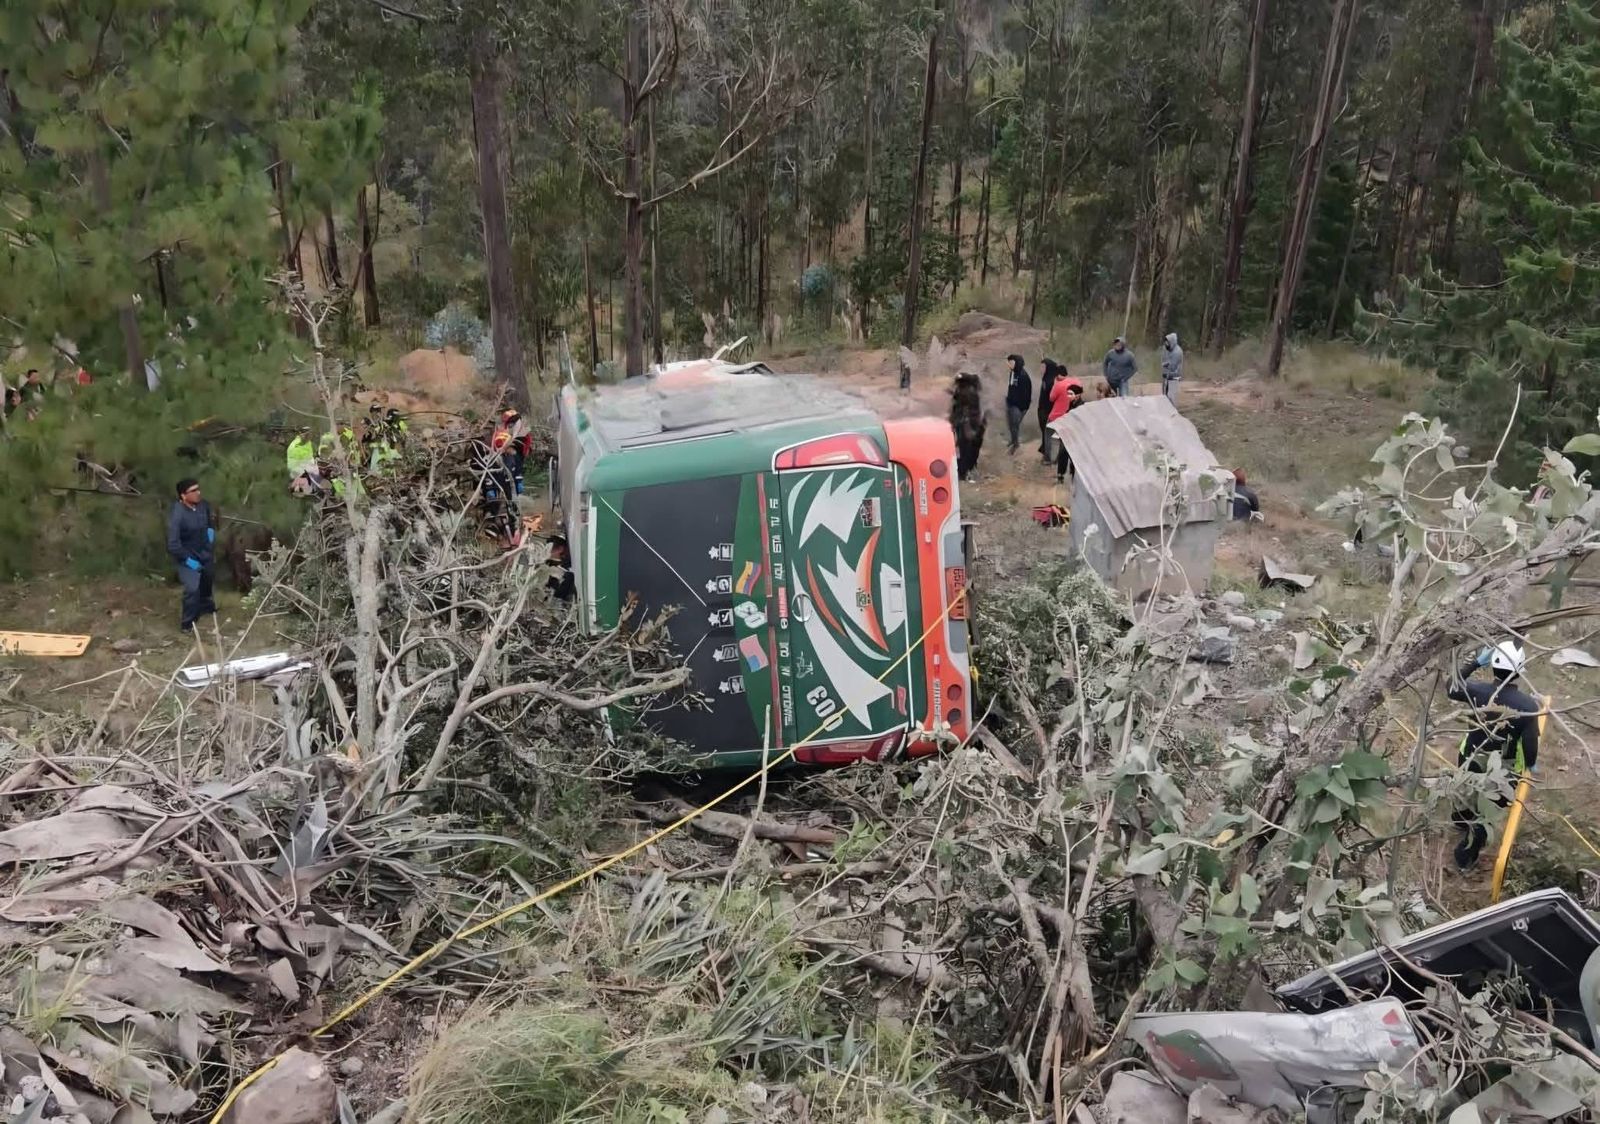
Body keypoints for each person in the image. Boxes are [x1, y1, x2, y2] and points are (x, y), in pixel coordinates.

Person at [1447, 640, 1541, 870]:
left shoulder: (1476, 691)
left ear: (1492, 665)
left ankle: (1460, 820)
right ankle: (1465, 857)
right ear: (1519, 671)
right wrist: (1531, 764)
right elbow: (1530, 744)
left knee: (1465, 790)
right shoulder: (1527, 705)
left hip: (1471, 755)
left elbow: (1451, 686)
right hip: (1499, 770)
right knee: (1486, 813)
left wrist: (1475, 663)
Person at [166, 478, 217, 632]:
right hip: (187, 556)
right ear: (183, 496)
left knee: (207, 579)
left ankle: (206, 607)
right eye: (193, 491)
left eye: (198, 489)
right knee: (192, 588)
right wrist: (188, 560)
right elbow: (173, 544)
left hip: (204, 551)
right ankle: (188, 623)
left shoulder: (203, 505)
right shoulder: (177, 515)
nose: (198, 493)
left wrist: (210, 532)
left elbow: (209, 521)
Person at [949, 373, 987, 483]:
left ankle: (963, 472)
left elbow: (962, 410)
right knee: (969, 449)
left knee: (964, 449)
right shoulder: (971, 392)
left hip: (967, 426)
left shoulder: (966, 393)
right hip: (972, 426)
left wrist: (955, 422)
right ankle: (967, 469)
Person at [1047, 378, 1084, 484]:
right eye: (1067, 394)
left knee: (1073, 458)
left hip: (1076, 437)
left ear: (1077, 395)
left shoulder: (1080, 407)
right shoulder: (1072, 404)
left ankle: (1073, 477)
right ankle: (1061, 475)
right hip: (1069, 435)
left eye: (1070, 394)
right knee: (1063, 453)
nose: (1068, 396)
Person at [1003, 354, 1032, 455]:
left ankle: (1016, 445)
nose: (1009, 365)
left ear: (1017, 363)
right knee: (1011, 425)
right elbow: (1011, 387)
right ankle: (1013, 440)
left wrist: (1020, 407)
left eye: (1011, 363)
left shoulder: (1023, 376)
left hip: (1018, 406)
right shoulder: (1013, 373)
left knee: (1015, 425)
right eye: (1008, 362)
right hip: (1011, 404)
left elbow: (1026, 395)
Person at [1037, 359, 1063, 464]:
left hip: (1048, 411)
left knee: (1048, 434)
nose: (1041, 369)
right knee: (1044, 433)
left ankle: (1049, 457)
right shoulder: (1046, 378)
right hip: (1042, 409)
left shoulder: (1052, 381)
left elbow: (1052, 399)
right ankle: (1046, 453)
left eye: (1043, 367)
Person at [286, 426, 324, 494]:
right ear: (300, 434)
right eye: (306, 434)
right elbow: (299, 461)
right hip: (299, 469)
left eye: (310, 434)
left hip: (306, 467)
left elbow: (309, 456)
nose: (309, 436)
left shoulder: (306, 442)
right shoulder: (296, 445)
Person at [1161, 332, 1184, 407]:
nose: (1166, 344)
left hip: (1174, 376)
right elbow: (1164, 358)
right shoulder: (1167, 349)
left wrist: (1166, 364)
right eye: (1165, 342)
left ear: (1172, 342)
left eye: (1167, 342)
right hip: (1167, 376)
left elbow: (1173, 367)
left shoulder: (1177, 352)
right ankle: (1165, 410)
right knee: (1164, 396)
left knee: (1171, 396)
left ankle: (1172, 412)